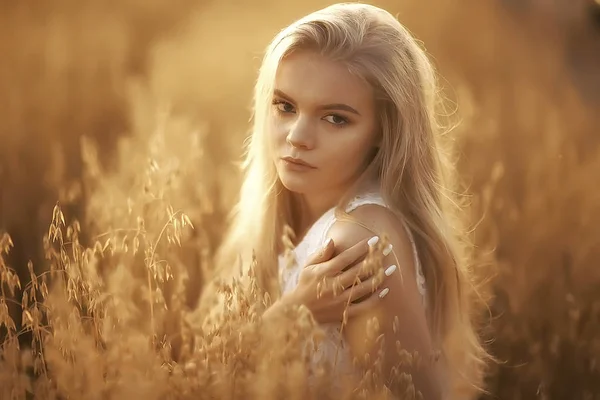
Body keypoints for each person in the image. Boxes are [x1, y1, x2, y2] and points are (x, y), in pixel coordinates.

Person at [199, 3, 489, 399]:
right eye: (285, 106)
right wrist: (293, 311)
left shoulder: (356, 245)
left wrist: (288, 317)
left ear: (383, 132)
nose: (297, 136)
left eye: (335, 118)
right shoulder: (287, 214)